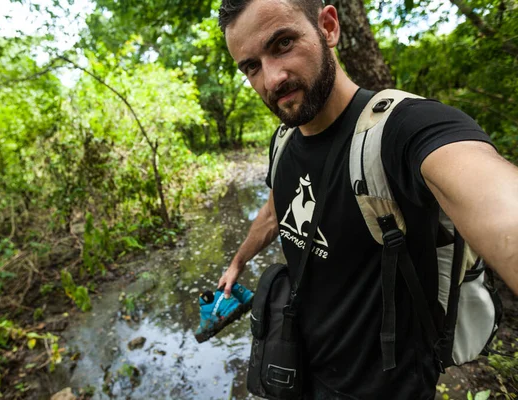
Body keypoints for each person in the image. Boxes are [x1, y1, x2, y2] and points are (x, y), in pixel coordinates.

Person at [216, 0, 518, 399]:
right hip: (303, 363)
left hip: (386, 386)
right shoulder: (285, 140)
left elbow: (499, 206)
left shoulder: (403, 130)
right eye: (251, 66)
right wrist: (238, 261)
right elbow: (276, 209)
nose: (271, 79)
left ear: (328, 27)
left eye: (283, 43)